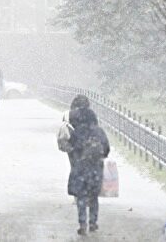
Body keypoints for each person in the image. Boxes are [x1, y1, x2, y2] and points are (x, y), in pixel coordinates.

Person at [67, 95, 109, 236]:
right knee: (93, 197)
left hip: (80, 169)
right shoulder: (99, 131)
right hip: (96, 169)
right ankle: (93, 222)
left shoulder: (77, 133)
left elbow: (71, 149)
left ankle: (82, 223)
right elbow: (106, 149)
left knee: (81, 197)